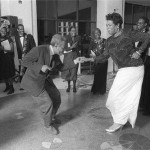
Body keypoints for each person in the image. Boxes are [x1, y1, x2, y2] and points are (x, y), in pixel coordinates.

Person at [89, 13, 150, 132]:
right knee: (116, 98)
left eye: (110, 25)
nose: (107, 28)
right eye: (106, 25)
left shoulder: (128, 33)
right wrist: (90, 59)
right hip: (123, 70)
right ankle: (121, 119)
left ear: (117, 26)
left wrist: (139, 52)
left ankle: (119, 122)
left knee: (114, 97)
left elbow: (147, 37)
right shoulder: (109, 41)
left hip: (134, 68)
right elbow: (104, 56)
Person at [20, 34, 82, 135]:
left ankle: (51, 117)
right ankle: (47, 125)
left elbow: (61, 68)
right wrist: (40, 66)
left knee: (57, 97)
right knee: (48, 103)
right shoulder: (39, 50)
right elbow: (24, 61)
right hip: (34, 81)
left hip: (45, 79)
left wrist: (75, 61)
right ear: (56, 45)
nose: (64, 49)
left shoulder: (56, 55)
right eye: (62, 47)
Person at [135, 17, 150, 115]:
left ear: (146, 24)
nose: (138, 24)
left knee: (148, 84)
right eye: (138, 23)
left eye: (141, 23)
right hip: (145, 60)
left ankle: (148, 109)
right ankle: (144, 105)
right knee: (144, 83)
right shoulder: (142, 33)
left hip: (149, 59)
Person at [61, 26, 81, 93]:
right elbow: (64, 47)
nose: (74, 32)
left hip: (75, 56)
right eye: (72, 30)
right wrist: (71, 47)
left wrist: (79, 54)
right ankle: (69, 86)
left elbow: (80, 46)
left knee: (74, 70)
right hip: (68, 57)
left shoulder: (78, 37)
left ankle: (74, 86)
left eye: (75, 30)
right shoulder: (66, 37)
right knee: (68, 72)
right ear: (69, 31)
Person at [89, 28, 108, 95]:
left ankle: (102, 90)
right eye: (96, 33)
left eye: (98, 32)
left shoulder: (105, 41)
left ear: (100, 33)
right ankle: (96, 90)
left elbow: (107, 51)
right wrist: (91, 55)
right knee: (96, 75)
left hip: (104, 60)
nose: (97, 34)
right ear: (94, 34)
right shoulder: (92, 41)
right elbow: (89, 50)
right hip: (96, 61)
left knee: (103, 75)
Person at [0, 27, 15, 94]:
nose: (3, 32)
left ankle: (12, 88)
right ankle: (7, 86)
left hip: (8, 58)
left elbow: (12, 50)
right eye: (2, 31)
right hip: (1, 58)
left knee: (9, 73)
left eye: (4, 31)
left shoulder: (9, 39)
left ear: (6, 32)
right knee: (4, 73)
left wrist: (3, 49)